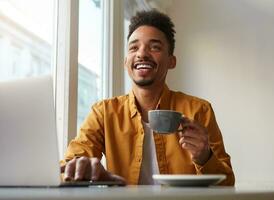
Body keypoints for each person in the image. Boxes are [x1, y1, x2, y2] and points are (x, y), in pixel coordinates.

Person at [60, 9, 235, 186]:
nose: (141, 54)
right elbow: (67, 167)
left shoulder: (199, 110)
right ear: (125, 61)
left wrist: (205, 157)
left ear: (171, 61)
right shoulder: (103, 113)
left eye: (155, 47)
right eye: (134, 47)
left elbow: (227, 184)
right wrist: (79, 168)